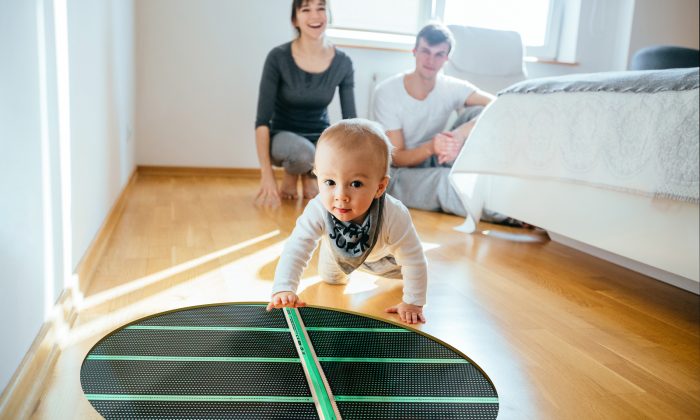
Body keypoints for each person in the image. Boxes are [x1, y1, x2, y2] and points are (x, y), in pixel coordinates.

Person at [266, 119, 429, 324]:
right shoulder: (318, 208)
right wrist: (284, 288)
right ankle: (330, 247)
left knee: (408, 274)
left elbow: (413, 259)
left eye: (356, 183)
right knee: (331, 280)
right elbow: (297, 247)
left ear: (380, 187)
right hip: (338, 253)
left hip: (386, 257)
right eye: (330, 182)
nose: (341, 195)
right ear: (317, 178)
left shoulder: (394, 214)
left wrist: (413, 302)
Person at [373, 23, 495, 217]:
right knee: (445, 180)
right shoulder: (387, 92)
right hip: (397, 174)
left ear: (446, 58)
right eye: (425, 51)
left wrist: (460, 134)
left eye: (439, 54)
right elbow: (397, 158)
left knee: (478, 112)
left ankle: (496, 185)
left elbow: (497, 105)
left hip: (435, 158)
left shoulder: (450, 87)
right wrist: (432, 147)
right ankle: (512, 214)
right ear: (414, 51)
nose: (431, 60)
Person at [254, 0, 356, 207]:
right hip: (282, 137)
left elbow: (352, 124)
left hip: (320, 136)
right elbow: (262, 121)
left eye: (321, 8)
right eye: (306, 9)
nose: (315, 16)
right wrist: (267, 175)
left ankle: (308, 174)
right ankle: (299, 172)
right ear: (295, 19)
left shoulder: (343, 63)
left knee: (329, 152)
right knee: (304, 153)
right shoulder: (278, 57)